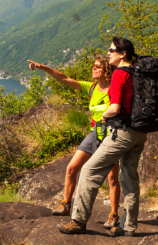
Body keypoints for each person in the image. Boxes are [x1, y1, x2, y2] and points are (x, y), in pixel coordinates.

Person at [57, 37, 146, 237]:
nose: (109, 53)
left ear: (123, 54)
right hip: (140, 131)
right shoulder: (138, 72)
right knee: (130, 178)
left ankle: (78, 220)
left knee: (89, 170)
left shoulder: (120, 74)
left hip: (122, 131)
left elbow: (114, 107)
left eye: (112, 50)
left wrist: (105, 116)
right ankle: (129, 227)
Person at [27, 55, 123, 230]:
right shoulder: (92, 87)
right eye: (93, 66)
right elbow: (64, 78)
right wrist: (44, 68)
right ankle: (66, 204)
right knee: (71, 168)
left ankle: (114, 215)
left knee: (112, 178)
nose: (93, 69)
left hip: (110, 134)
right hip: (95, 132)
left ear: (107, 71)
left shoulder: (114, 89)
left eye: (97, 67)